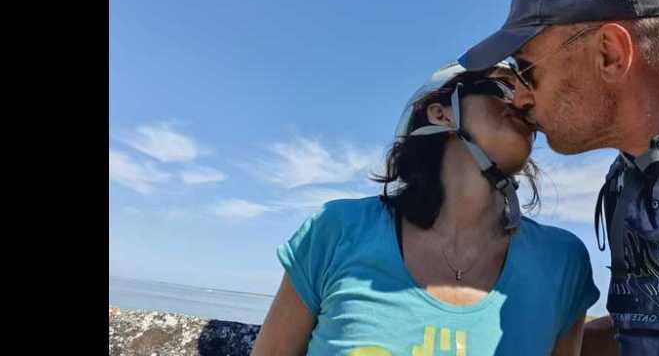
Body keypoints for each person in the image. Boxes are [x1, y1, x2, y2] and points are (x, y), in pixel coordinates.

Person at [458, 0, 659, 356]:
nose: (520, 98)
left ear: (610, 53)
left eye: (526, 71)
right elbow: (647, 328)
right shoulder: (626, 177)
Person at [252, 62, 601, 355]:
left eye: (531, 93)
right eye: (504, 87)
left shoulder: (563, 261)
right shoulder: (336, 230)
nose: (525, 101)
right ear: (441, 112)